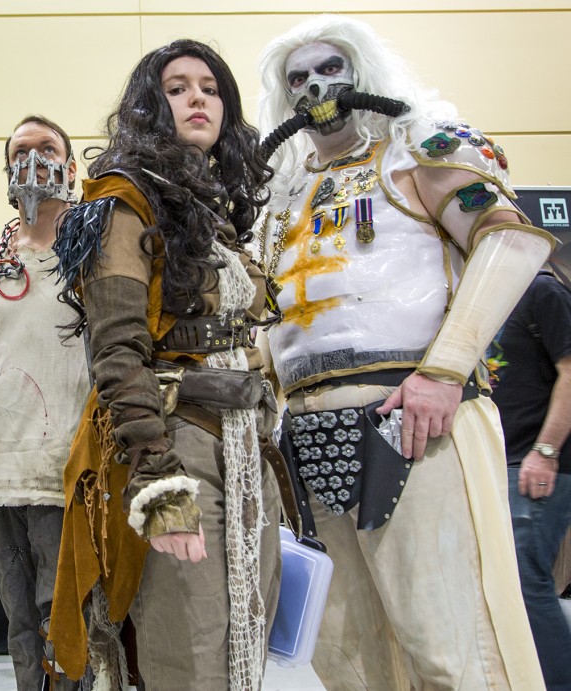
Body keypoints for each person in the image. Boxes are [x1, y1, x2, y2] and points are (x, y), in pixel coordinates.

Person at [255, 15, 552, 689]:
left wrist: (443, 372)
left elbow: (509, 243)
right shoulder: (282, 192)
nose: (316, 86)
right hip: (306, 433)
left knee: (446, 641)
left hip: (415, 419)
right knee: (350, 656)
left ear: (364, 71)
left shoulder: (419, 149)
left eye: (331, 68)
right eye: (297, 77)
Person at [49, 40, 280, 690]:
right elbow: (117, 350)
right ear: (151, 106)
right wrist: (160, 479)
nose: (198, 97)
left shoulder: (218, 215)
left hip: (242, 449)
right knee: (189, 645)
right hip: (175, 449)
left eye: (209, 87)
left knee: (245, 636)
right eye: (178, 87)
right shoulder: (124, 201)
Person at [0, 115, 90, 690]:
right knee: (21, 627)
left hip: (72, 475)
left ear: (72, 167)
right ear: (7, 170)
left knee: (74, 623)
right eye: (21, 151)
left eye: (48, 149)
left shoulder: (98, 253)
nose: (34, 161)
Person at [491, 270, 571, 690]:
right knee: (502, 584)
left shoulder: (540, 289)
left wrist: (546, 452)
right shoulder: (481, 298)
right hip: (495, 460)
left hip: (535, 461)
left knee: (525, 580)